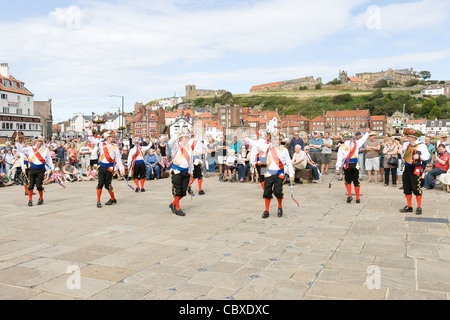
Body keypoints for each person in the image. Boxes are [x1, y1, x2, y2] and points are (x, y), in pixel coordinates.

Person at [244, 132, 295, 219]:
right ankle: (266, 210)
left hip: (279, 173)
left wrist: (291, 174)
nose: (276, 141)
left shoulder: (284, 150)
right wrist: (246, 138)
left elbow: (289, 163)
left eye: (278, 139)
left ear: (280, 140)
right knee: (267, 192)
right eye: (274, 139)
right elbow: (256, 144)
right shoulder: (268, 147)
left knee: (278, 192)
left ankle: (279, 207)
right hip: (269, 173)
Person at [87, 126, 125, 208]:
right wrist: (90, 129)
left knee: (108, 185)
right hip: (101, 167)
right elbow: (90, 138)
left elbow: (118, 159)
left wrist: (121, 169)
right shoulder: (101, 143)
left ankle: (113, 198)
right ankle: (98, 201)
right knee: (100, 183)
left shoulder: (115, 147)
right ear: (108, 137)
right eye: (112, 136)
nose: (113, 138)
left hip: (110, 168)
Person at [15, 135, 55, 206]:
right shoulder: (30, 149)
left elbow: (49, 160)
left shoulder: (46, 150)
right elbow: (21, 150)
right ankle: (30, 200)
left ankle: (41, 198)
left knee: (39, 185)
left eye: (40, 141)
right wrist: (17, 142)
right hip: (32, 169)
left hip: (41, 170)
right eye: (38, 141)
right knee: (30, 185)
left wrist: (52, 167)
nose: (39, 143)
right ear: (35, 142)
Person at [399, 129, 430, 215]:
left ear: (413, 137)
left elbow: (427, 156)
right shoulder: (406, 144)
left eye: (408, 136)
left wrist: (419, 156)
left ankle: (419, 206)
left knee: (416, 187)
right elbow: (403, 155)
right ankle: (409, 206)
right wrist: (402, 152)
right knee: (407, 187)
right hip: (407, 168)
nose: (407, 137)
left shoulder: (421, 145)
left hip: (416, 168)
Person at [335, 129, 370, 204]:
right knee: (356, 181)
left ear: (344, 138)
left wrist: (337, 168)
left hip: (347, 165)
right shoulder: (356, 143)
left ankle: (350, 195)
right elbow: (363, 139)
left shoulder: (342, 147)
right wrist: (367, 132)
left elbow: (339, 158)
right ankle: (357, 198)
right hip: (355, 164)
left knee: (348, 181)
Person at [168, 129, 194, 217]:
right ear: (181, 138)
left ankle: (173, 204)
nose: (188, 139)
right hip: (176, 171)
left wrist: (191, 171)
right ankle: (177, 208)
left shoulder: (189, 147)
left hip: (186, 171)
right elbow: (170, 143)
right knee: (177, 190)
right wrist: (177, 134)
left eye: (188, 137)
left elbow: (191, 160)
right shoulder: (175, 146)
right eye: (186, 137)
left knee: (183, 192)